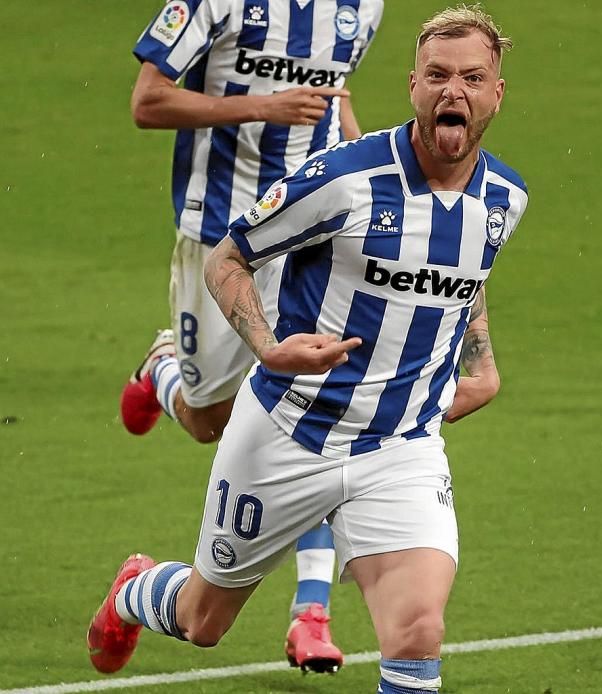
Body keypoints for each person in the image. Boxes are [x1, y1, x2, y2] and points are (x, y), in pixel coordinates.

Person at [89, 6, 527, 692]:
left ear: (496, 93)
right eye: (438, 75)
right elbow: (227, 260)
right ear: (412, 84)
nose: (454, 91)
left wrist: (481, 364)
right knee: (203, 620)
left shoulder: (505, 198)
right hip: (288, 432)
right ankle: (134, 589)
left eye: (473, 77)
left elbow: (468, 277)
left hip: (398, 450)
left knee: (418, 631)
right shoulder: (343, 178)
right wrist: (267, 347)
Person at [119, 0, 385, 673]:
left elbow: (334, 103)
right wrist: (259, 108)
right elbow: (149, 103)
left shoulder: (363, 7)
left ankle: (311, 615)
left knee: (316, 409)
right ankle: (164, 370)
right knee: (208, 422)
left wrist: (377, 182)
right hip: (220, 239)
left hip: (312, 234)